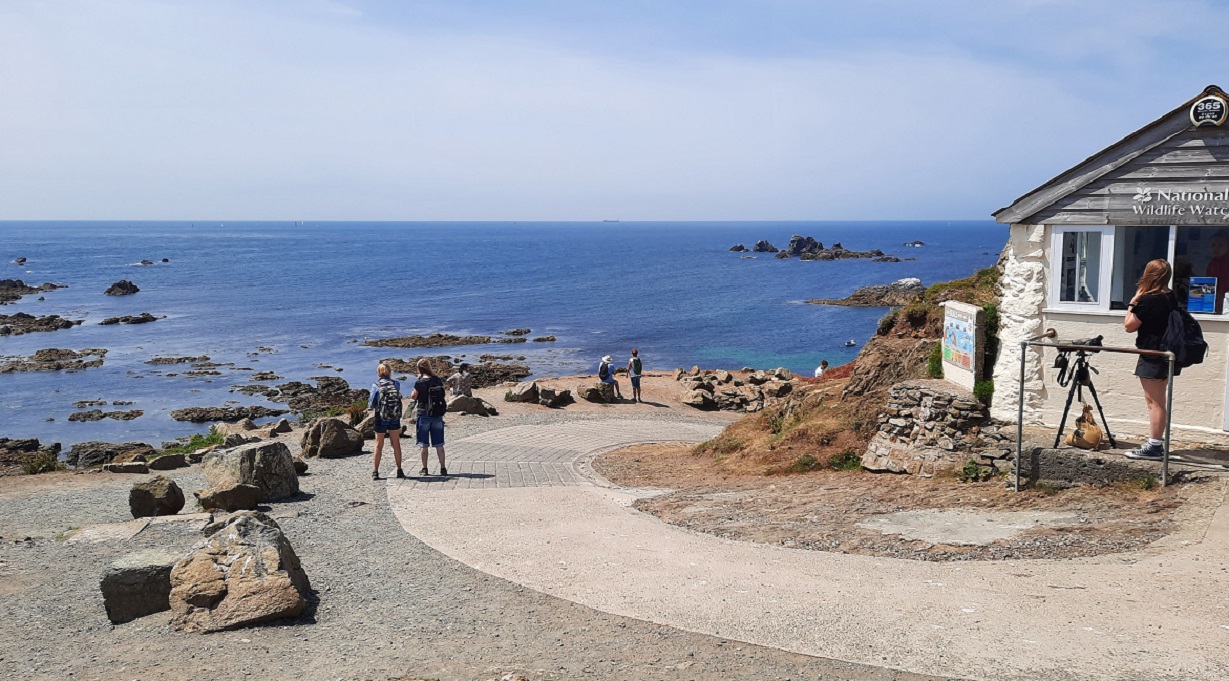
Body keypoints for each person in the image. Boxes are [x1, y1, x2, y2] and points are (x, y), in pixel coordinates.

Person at [1123, 258, 1180, 460]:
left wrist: (1133, 301)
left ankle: (1154, 446)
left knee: (1154, 402)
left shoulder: (1149, 300)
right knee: (1157, 400)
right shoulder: (1170, 297)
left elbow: (1129, 326)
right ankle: (1155, 443)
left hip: (1153, 354)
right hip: (1165, 353)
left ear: (1149, 274)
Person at [409, 358, 448, 476]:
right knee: (439, 444)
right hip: (437, 413)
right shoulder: (436, 379)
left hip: (424, 413)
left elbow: (413, 396)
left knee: (423, 444)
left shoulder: (420, 382)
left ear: (420, 369)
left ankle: (425, 468)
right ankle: (443, 468)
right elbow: (443, 394)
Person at [368, 363, 404, 480]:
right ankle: (399, 470)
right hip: (394, 416)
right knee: (396, 443)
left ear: (378, 372)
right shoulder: (396, 384)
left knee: (379, 445)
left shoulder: (376, 385)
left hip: (381, 416)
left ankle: (375, 472)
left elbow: (371, 403)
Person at [1206, 233, 1229, 313]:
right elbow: (1208, 283)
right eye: (1213, 245)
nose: (1216, 248)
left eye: (1221, 245)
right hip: (1215, 301)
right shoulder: (1212, 264)